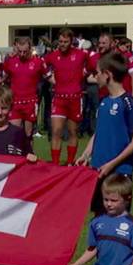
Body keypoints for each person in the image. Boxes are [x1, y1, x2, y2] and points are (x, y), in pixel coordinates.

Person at [75, 52, 133, 215]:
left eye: (98, 73)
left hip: (119, 174)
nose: (95, 77)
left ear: (108, 75)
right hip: (99, 171)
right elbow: (99, 132)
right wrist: (85, 155)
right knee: (99, 219)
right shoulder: (105, 101)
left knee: (117, 221)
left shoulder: (126, 103)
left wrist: (112, 164)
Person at [43, 28, 90, 164]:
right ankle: (56, 164)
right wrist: (49, 77)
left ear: (71, 41)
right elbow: (42, 64)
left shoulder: (80, 54)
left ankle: (70, 163)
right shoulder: (53, 55)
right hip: (59, 98)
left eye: (65, 41)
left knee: (72, 132)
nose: (62, 44)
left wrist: (83, 74)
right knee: (56, 131)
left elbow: (93, 63)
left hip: (75, 98)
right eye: (61, 41)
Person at [2, 35, 47, 138]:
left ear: (30, 48)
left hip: (30, 102)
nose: (22, 54)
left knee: (28, 135)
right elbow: (3, 77)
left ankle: (29, 153)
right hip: (15, 102)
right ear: (16, 48)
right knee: (14, 133)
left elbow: (49, 76)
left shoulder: (38, 62)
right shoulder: (10, 61)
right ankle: (15, 154)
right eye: (20, 51)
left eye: (25, 51)